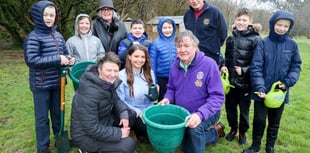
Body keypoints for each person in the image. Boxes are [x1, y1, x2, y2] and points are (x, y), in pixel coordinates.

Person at [242, 10, 302, 153]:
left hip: (279, 93)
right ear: (272, 24)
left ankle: (270, 147)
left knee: (274, 122)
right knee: (259, 121)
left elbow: (296, 66)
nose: (281, 28)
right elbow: (256, 67)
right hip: (262, 92)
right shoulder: (263, 44)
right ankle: (255, 146)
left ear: (289, 28)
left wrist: (287, 82)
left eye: (285, 26)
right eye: (279, 25)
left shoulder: (292, 45)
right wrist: (260, 87)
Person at [158, 30, 225, 153]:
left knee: (194, 131)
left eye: (187, 46)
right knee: (186, 145)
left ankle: (206, 132)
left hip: (208, 112)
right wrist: (167, 98)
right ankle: (216, 132)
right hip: (184, 112)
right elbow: (171, 88)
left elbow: (217, 97)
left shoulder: (209, 65)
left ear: (195, 46)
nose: (182, 50)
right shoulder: (175, 66)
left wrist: (200, 115)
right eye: (179, 46)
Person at [23, 1, 75, 153]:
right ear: (38, 16)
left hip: (58, 82)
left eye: (51, 15)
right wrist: (58, 59)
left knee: (58, 114)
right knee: (42, 119)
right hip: (41, 85)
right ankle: (43, 147)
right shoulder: (33, 37)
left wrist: (70, 59)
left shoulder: (58, 36)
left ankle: (60, 140)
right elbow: (31, 60)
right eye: (45, 14)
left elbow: (64, 53)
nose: (49, 18)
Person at [70, 52, 137, 153]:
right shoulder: (88, 94)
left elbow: (116, 99)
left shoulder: (105, 82)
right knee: (129, 145)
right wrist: (119, 133)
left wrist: (123, 113)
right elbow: (91, 128)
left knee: (130, 114)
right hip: (85, 136)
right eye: (109, 70)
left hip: (103, 120)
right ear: (99, 70)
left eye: (116, 71)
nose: (113, 75)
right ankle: (85, 150)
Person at [220, 8, 261, 145]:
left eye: (244, 20)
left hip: (245, 83)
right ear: (235, 21)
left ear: (250, 22)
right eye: (239, 19)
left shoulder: (255, 39)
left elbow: (258, 62)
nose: (241, 22)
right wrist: (224, 65)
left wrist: (244, 70)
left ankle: (242, 132)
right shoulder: (230, 38)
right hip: (230, 82)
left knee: (244, 110)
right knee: (230, 108)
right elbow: (226, 57)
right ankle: (233, 129)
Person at [117, 44, 157, 140]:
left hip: (149, 108)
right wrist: (139, 113)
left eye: (143, 57)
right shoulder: (121, 76)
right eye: (136, 56)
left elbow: (152, 97)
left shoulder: (150, 73)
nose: (139, 60)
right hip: (133, 111)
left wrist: (155, 95)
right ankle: (138, 133)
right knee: (146, 128)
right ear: (129, 57)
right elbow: (120, 101)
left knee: (160, 122)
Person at [183, 0, 227, 65]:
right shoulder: (187, 15)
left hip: (212, 57)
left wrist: (213, 47)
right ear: (187, 1)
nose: (194, 1)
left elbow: (223, 34)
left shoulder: (215, 12)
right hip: (193, 58)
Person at [149, 17, 177, 101]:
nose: (167, 30)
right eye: (165, 28)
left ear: (173, 28)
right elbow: (152, 63)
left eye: (169, 27)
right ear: (160, 29)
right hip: (162, 78)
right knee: (163, 100)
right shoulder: (155, 43)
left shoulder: (177, 41)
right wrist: (155, 82)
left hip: (177, 77)